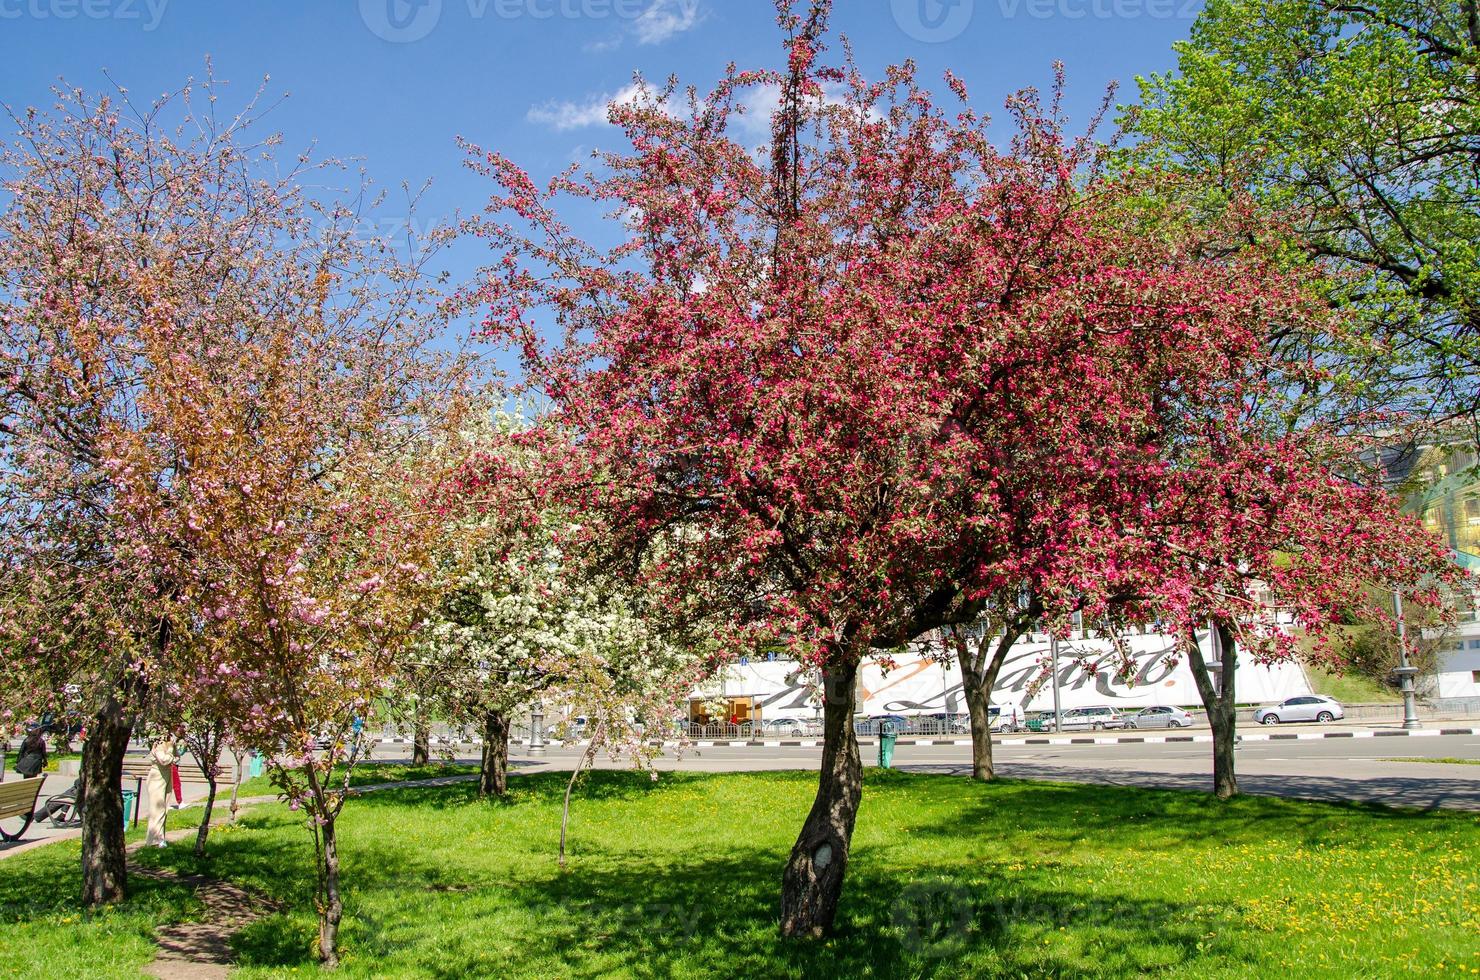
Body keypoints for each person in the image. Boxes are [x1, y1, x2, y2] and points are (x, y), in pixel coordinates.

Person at [144, 736, 177, 847]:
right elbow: (164, 760)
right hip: (157, 776)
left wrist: (171, 751)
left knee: (164, 808)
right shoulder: (160, 743)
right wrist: (171, 749)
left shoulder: (169, 743)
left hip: (167, 774)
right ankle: (153, 840)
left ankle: (160, 838)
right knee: (157, 809)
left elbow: (177, 757)